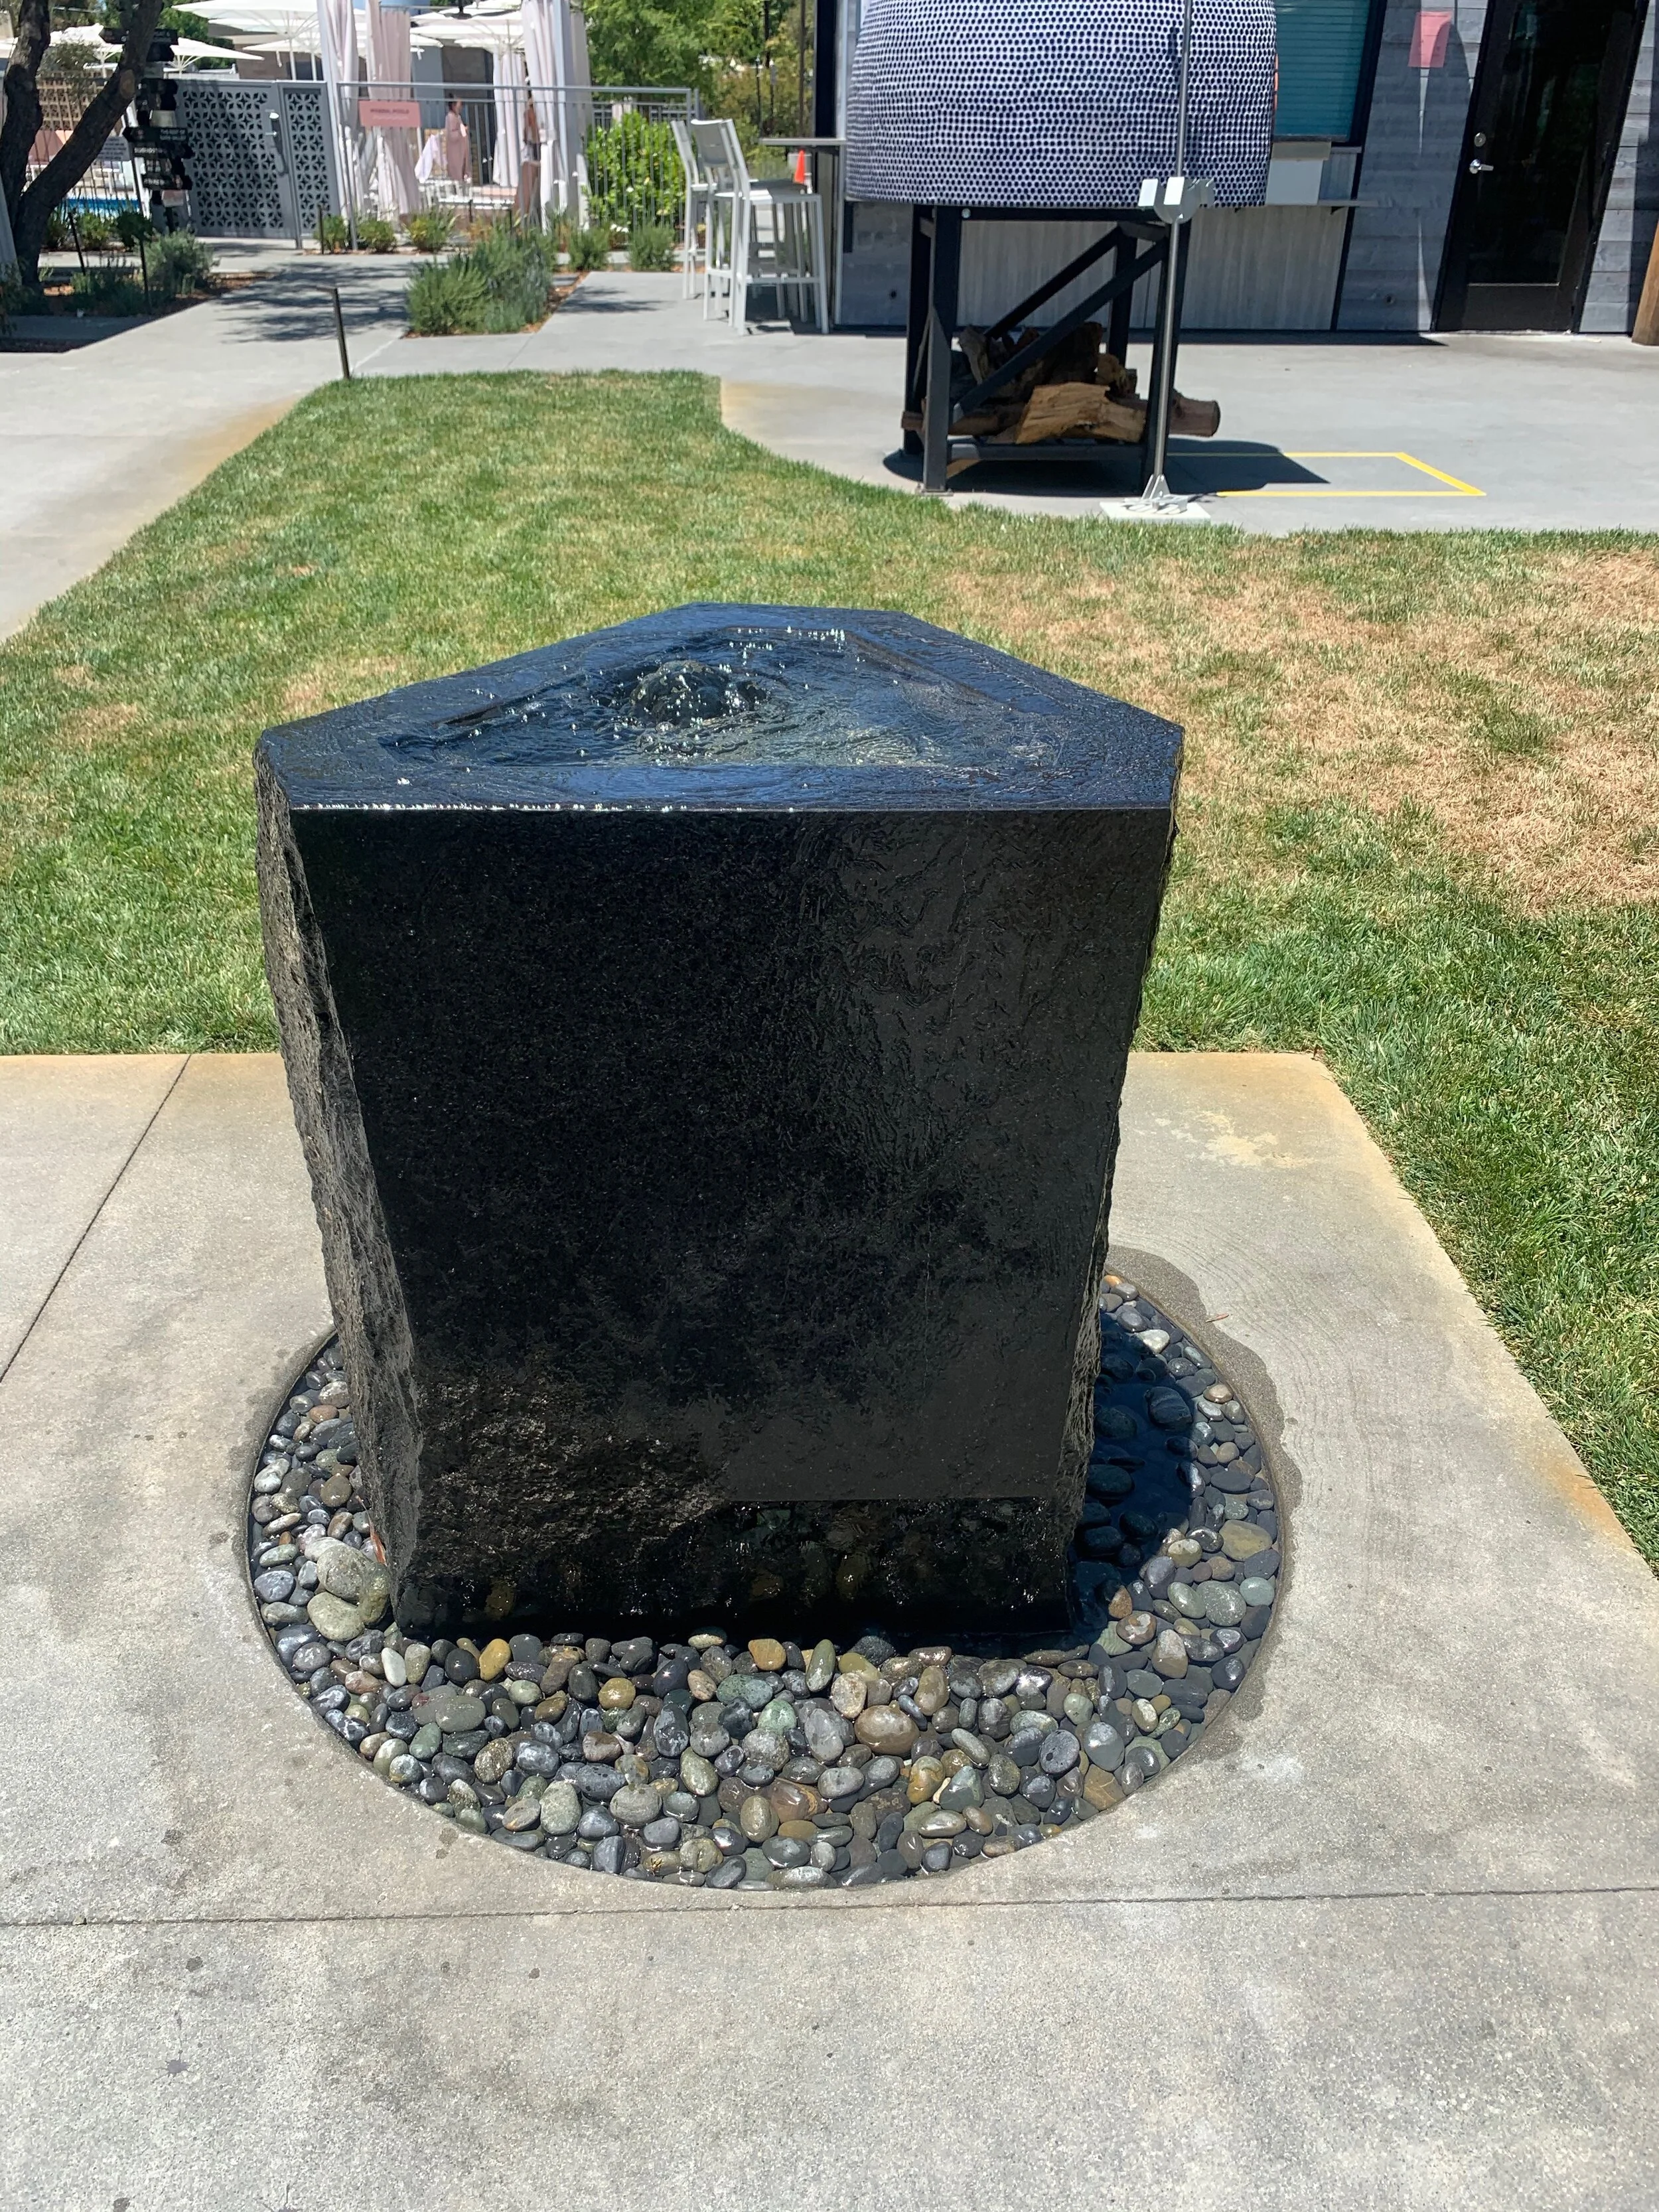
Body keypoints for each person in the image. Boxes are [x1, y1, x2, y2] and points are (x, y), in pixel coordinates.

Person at [516, 93, 541, 220]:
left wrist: (525, 139)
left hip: (534, 143)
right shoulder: (541, 111)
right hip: (542, 142)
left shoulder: (528, 112)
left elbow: (526, 129)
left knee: (533, 166)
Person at [442, 98, 470, 184]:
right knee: (456, 172)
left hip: (461, 149)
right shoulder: (450, 117)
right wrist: (462, 131)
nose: (461, 107)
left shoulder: (457, 117)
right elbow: (452, 135)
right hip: (455, 151)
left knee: (462, 170)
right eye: (459, 104)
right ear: (454, 106)